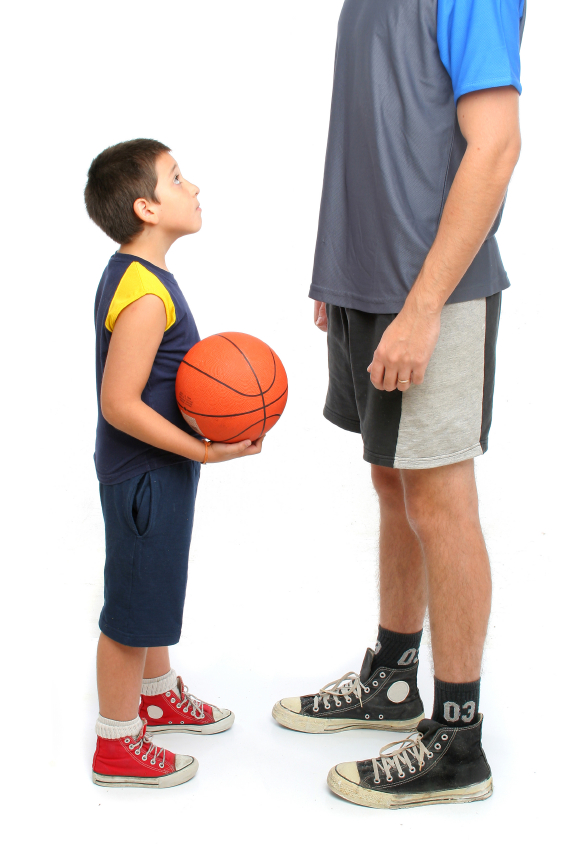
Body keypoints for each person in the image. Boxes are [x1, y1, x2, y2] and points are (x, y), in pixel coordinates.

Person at [273, 0, 526, 809]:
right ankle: (391, 679)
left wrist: (420, 309)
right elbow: (370, 134)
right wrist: (334, 271)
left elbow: (494, 148)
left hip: (432, 291)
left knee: (440, 497)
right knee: (391, 480)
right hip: (361, 281)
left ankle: (457, 739)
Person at [85, 139, 264, 789]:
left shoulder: (142, 275)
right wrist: (205, 451)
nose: (194, 187)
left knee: (151, 593)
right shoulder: (141, 291)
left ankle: (154, 696)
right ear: (146, 208)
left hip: (156, 475)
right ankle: (116, 742)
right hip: (145, 476)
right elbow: (120, 404)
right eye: (177, 178)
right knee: (129, 612)